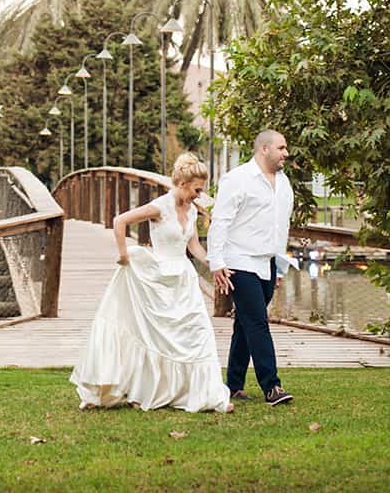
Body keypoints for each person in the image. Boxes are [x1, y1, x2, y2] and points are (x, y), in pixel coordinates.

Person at [70, 153, 232, 413]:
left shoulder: (191, 210)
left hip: (184, 278)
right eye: (197, 190)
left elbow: (193, 246)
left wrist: (215, 265)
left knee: (198, 332)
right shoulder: (159, 207)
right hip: (159, 277)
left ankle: (207, 395)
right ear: (182, 184)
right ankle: (149, 390)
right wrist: (123, 254)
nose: (199, 196)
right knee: (157, 337)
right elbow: (120, 221)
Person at [207, 130, 295, 406]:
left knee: (244, 324)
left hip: (268, 262)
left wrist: (279, 266)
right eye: (281, 148)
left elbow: (281, 226)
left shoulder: (283, 183)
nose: (286, 153)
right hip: (239, 261)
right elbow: (220, 221)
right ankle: (272, 386)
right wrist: (216, 262)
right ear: (264, 149)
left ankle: (233, 385)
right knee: (257, 321)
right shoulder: (237, 179)